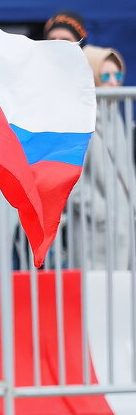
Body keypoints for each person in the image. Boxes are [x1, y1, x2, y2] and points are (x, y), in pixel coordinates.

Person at [68, 45, 135, 270]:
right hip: (96, 236)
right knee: (96, 299)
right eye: (106, 75)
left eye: (118, 75)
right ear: (92, 77)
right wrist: (102, 213)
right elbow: (71, 182)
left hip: (123, 230)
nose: (114, 82)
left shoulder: (115, 115)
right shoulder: (79, 120)